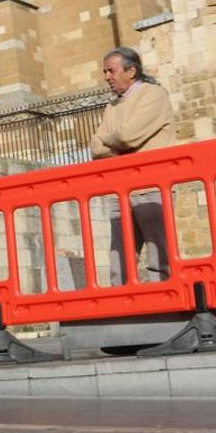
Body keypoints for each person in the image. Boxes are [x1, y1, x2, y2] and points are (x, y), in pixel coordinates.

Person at [90, 46, 176, 284]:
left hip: (151, 185)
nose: (107, 77)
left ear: (131, 71)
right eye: (105, 71)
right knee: (119, 256)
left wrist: (111, 141)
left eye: (111, 71)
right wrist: (115, 142)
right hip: (120, 188)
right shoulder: (112, 106)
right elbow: (95, 148)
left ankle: (164, 300)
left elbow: (128, 136)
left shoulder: (153, 95)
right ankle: (122, 300)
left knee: (159, 253)